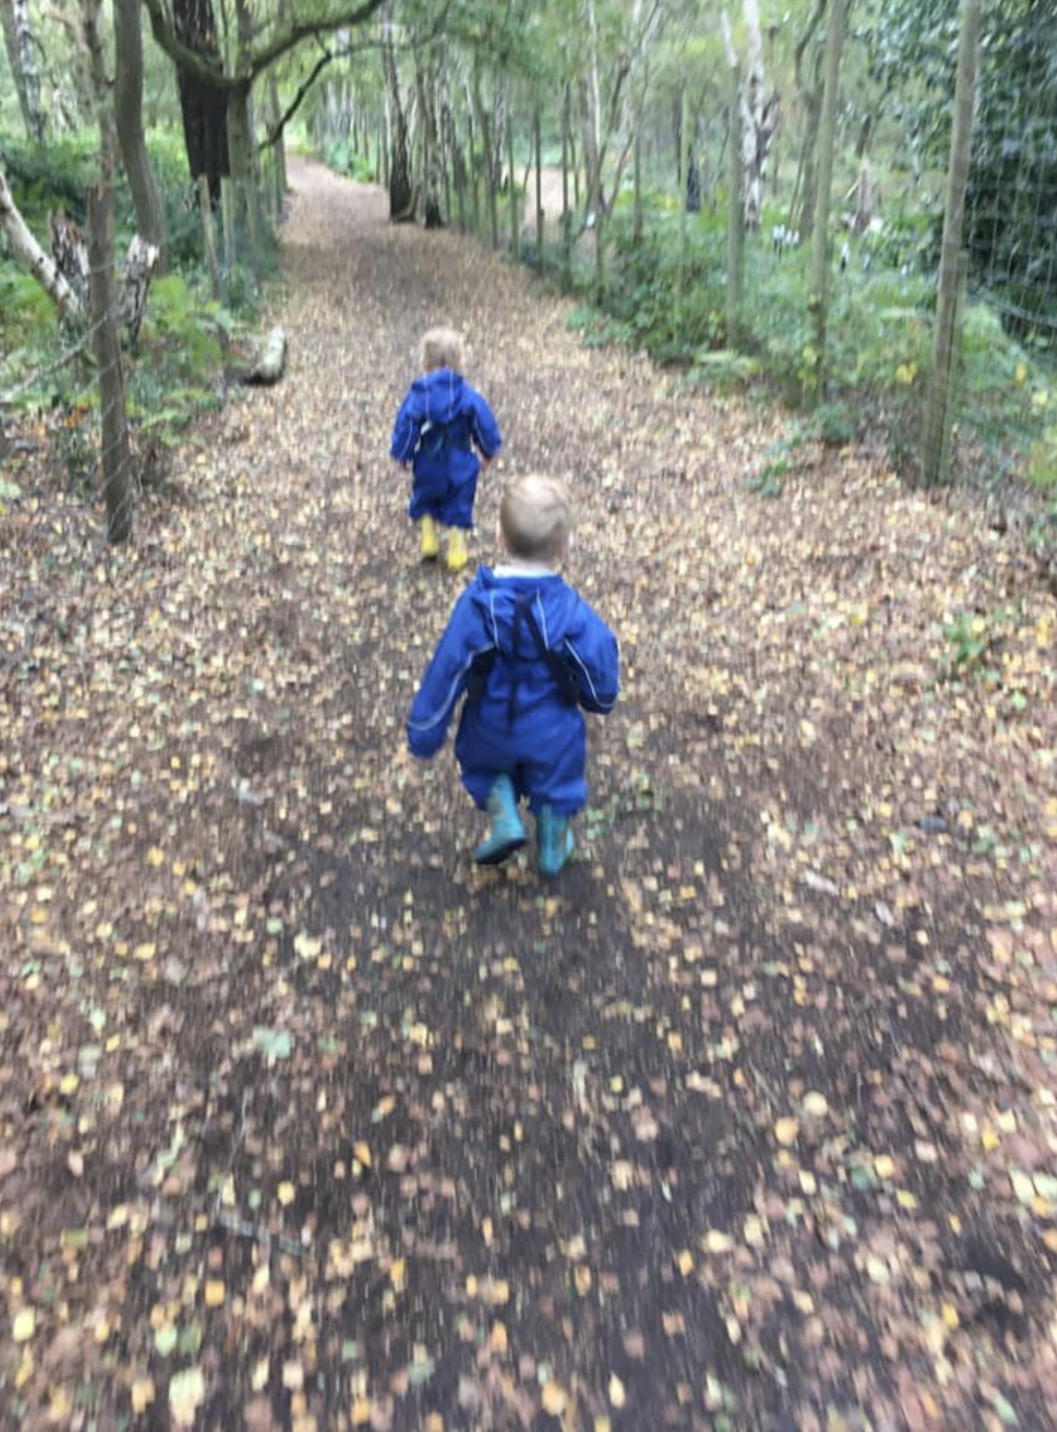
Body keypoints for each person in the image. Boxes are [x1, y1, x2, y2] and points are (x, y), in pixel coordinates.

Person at [407, 474, 619, 876]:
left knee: (483, 765)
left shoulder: (479, 604)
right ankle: (554, 846)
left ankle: (503, 813)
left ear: (499, 539)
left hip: (492, 721)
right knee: (558, 781)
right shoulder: (569, 610)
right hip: (553, 727)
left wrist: (425, 728)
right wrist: (599, 698)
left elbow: (448, 667)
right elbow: (599, 660)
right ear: (565, 547)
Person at [390, 326, 502, 572]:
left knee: (426, 496)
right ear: (459, 360)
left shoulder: (419, 396)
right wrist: (487, 451)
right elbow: (483, 424)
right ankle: (456, 550)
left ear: (425, 361)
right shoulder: (468, 396)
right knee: (459, 502)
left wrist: (403, 454)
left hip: (428, 459)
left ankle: (429, 540)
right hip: (460, 459)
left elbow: (406, 424)